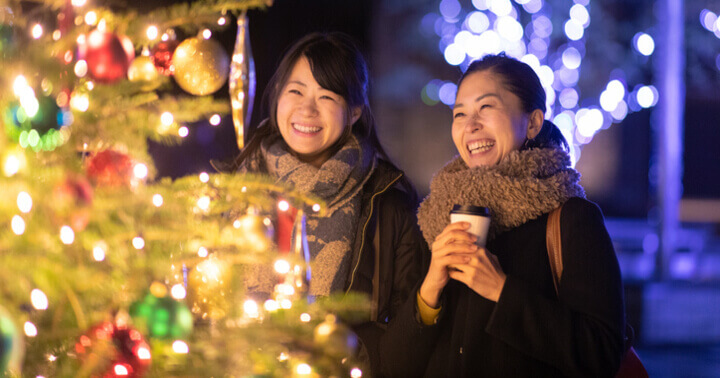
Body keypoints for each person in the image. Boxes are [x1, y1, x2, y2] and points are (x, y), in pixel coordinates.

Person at [379, 54, 625, 377]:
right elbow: (393, 368)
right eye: (460, 114)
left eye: (486, 108)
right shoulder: (436, 219)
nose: (470, 126)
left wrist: (501, 291)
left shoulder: (572, 219)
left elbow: (602, 353)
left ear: (533, 123)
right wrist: (430, 288)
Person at [230, 32, 426, 375]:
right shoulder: (233, 190)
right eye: (296, 91)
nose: (307, 109)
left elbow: (404, 339)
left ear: (353, 112)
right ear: (277, 95)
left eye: (326, 96)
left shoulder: (389, 204)